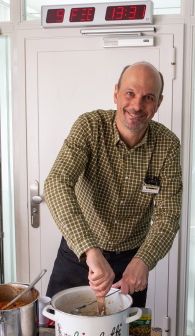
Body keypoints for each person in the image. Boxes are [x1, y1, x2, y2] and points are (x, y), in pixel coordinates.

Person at [44, 61, 182, 307]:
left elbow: (168, 214)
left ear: (159, 103)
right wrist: (90, 250)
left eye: (148, 97)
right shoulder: (89, 126)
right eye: (130, 93)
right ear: (116, 93)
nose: (137, 105)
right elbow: (57, 182)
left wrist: (144, 260)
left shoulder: (167, 145)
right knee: (57, 333)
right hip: (80, 254)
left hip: (132, 261)